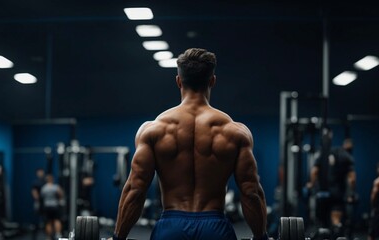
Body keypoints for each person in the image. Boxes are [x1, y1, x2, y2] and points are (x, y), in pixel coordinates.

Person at [111, 48, 268, 240]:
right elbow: (251, 191)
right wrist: (261, 237)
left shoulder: (153, 130)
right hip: (215, 230)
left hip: (170, 229)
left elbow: (135, 189)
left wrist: (119, 237)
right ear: (212, 81)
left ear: (178, 81)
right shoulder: (234, 131)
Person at [307, 137, 356, 235]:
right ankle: (336, 229)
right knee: (336, 220)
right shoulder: (346, 156)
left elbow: (314, 171)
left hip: (323, 193)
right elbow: (352, 179)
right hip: (337, 193)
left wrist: (311, 184)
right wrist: (351, 194)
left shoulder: (324, 153)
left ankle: (324, 232)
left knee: (322, 223)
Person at [40, 174, 64, 239]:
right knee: (57, 220)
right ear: (52, 180)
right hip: (55, 206)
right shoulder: (56, 187)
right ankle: (58, 235)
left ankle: (48, 237)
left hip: (47, 207)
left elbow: (42, 197)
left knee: (48, 222)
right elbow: (61, 194)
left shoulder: (44, 188)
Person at [31, 168, 46, 238]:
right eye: (39, 172)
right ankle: (34, 236)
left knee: (46, 220)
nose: (40, 173)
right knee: (36, 220)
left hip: (45, 203)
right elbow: (34, 192)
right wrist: (38, 199)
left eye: (41, 172)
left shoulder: (45, 182)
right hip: (38, 203)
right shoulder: (36, 182)